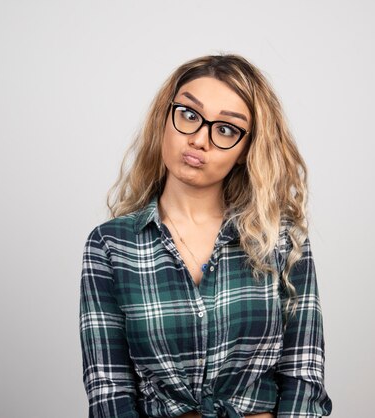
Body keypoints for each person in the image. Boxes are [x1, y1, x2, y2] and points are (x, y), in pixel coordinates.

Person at [79, 54, 332, 418]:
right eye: (189, 115)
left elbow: (303, 374)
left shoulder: (280, 239)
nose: (199, 140)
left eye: (226, 129)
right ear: (165, 118)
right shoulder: (110, 245)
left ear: (246, 150)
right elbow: (109, 391)